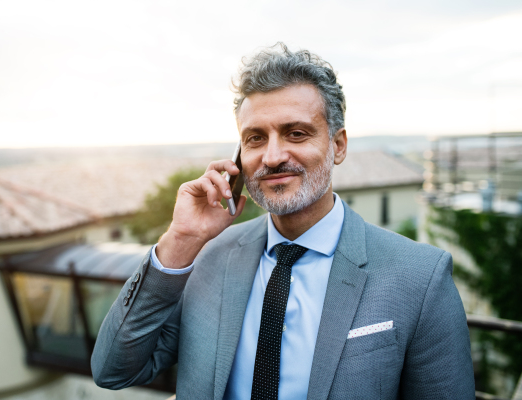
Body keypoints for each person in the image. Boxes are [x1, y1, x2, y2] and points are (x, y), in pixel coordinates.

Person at [91, 43, 475, 399]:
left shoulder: (420, 277)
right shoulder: (209, 257)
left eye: (296, 133)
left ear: (337, 145)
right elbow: (113, 371)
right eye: (255, 138)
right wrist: (180, 238)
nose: (272, 156)